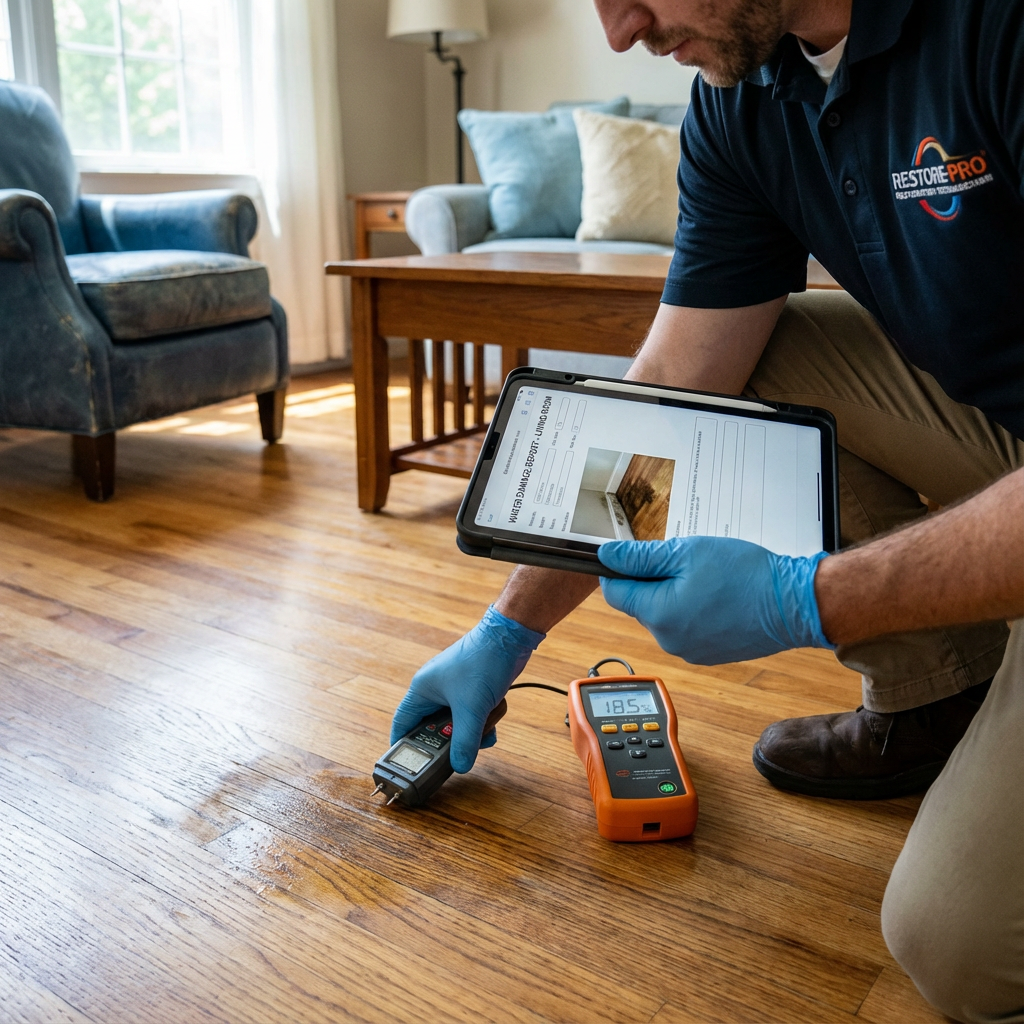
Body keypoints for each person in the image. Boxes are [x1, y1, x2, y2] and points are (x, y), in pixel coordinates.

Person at [390, 0, 1023, 1019]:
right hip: (997, 433)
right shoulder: (742, 95)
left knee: (957, 947)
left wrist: (810, 598)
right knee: (745, 365)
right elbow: (672, 386)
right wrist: (507, 630)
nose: (618, 30)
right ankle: (939, 693)